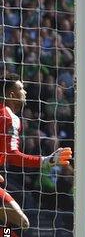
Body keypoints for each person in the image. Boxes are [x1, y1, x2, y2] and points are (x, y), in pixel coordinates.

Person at [0, 74, 72, 228]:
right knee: (19, 221)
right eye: (21, 88)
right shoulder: (9, 117)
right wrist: (45, 161)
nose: (25, 92)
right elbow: (12, 155)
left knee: (16, 221)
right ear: (11, 94)